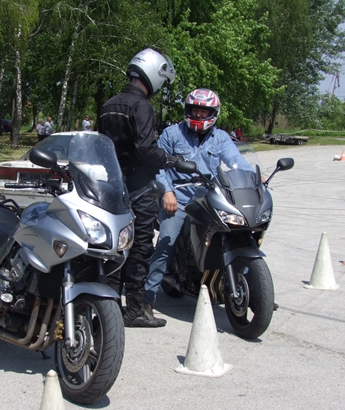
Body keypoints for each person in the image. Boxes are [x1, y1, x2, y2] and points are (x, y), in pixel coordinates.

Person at [143, 88, 257, 319]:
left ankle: (257, 291)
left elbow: (235, 161)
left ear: (213, 113)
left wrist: (253, 177)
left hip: (209, 197)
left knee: (239, 231)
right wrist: (167, 192)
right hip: (178, 199)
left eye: (204, 111)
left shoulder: (221, 138)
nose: (199, 114)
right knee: (166, 244)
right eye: (195, 109)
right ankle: (147, 298)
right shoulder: (172, 134)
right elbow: (157, 166)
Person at [98, 48, 178, 328]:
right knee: (140, 246)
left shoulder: (108, 104)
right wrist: (171, 160)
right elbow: (145, 149)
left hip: (112, 186)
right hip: (139, 187)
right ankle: (134, 310)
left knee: (114, 245)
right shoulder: (142, 106)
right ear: (154, 74)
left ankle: (107, 307)